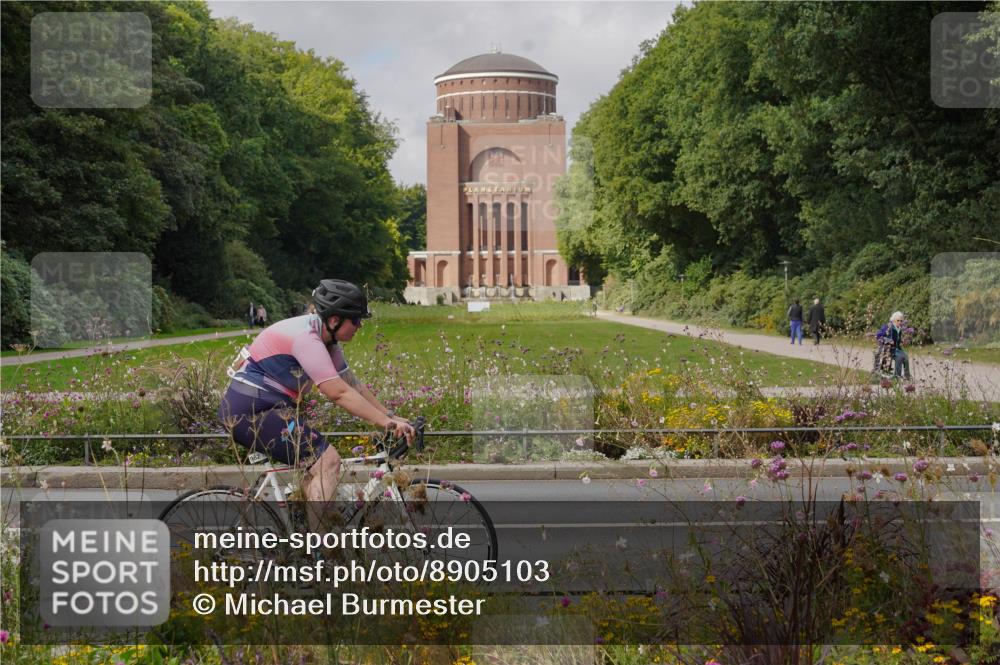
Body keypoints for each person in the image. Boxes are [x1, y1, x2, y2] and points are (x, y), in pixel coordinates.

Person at [218, 279, 415, 521]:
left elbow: (352, 385)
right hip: (250, 413)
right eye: (355, 319)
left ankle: (304, 542)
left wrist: (390, 416)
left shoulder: (327, 340)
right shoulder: (306, 339)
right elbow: (337, 393)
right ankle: (319, 550)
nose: (360, 325)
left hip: (270, 409)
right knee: (327, 462)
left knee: (316, 466)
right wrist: (386, 424)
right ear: (334, 320)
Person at [876, 311, 911, 380]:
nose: (900, 322)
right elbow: (881, 336)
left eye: (901, 321)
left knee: (906, 357)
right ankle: (897, 375)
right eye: (898, 320)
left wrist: (902, 341)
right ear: (893, 320)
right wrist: (888, 341)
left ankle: (907, 376)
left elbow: (898, 340)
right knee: (899, 357)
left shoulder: (899, 329)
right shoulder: (889, 327)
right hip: (889, 349)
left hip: (898, 348)